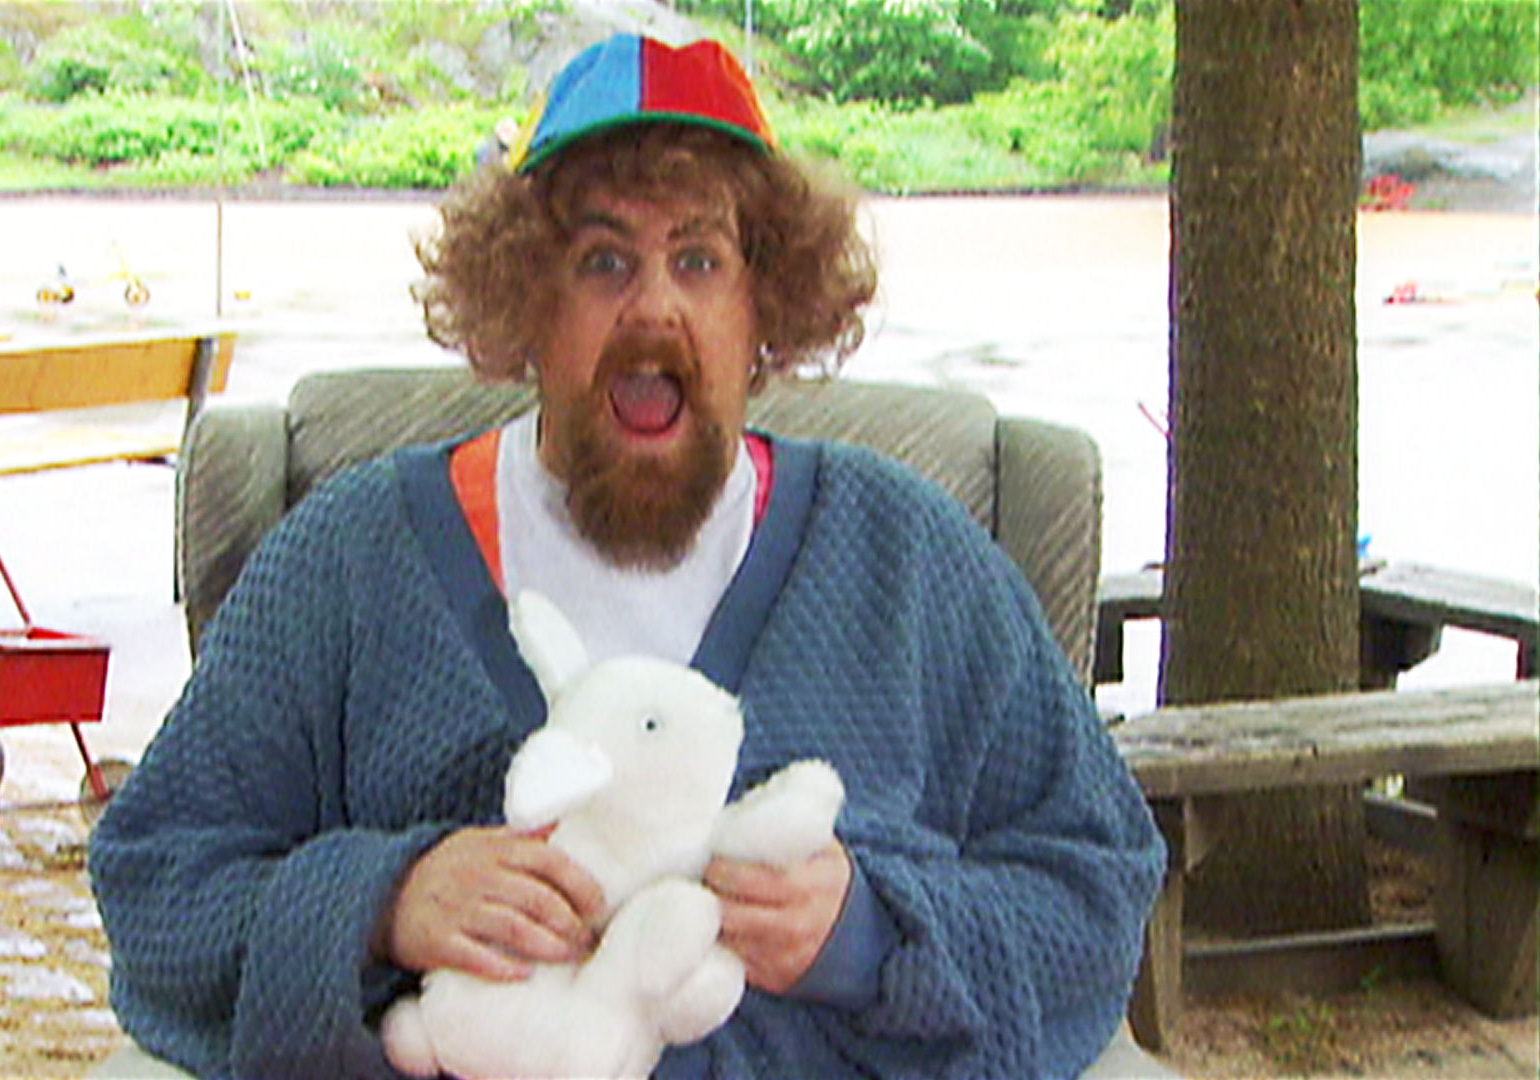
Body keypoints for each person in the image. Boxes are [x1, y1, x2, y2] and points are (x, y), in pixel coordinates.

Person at [89, 33, 1166, 1080]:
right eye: (603, 261)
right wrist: (384, 904)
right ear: (525, 300)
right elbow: (155, 881)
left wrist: (868, 933)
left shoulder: (913, 562)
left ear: (764, 303)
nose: (654, 306)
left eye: (699, 260)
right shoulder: (347, 563)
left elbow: (1099, 886)